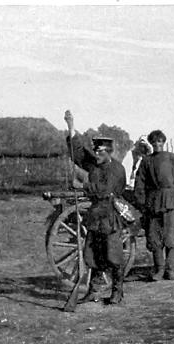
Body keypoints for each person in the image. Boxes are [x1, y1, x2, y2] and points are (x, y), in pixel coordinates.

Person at [64, 111, 127, 304]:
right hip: (95, 217)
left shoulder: (116, 169)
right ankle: (93, 291)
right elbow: (79, 154)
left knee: (113, 256)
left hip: (109, 216)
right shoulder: (95, 165)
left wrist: (82, 185)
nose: (96, 155)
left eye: (100, 152)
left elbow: (105, 190)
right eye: (96, 151)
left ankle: (117, 292)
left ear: (108, 152)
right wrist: (71, 127)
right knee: (92, 255)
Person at [134, 130, 174, 281]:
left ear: (164, 143)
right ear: (151, 144)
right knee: (155, 237)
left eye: (160, 142)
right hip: (153, 202)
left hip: (170, 200)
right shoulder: (146, 161)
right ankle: (159, 270)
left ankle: (170, 271)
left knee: (170, 237)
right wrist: (143, 203)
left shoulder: (172, 158)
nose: (157, 144)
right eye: (154, 142)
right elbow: (140, 183)